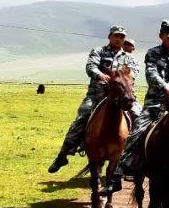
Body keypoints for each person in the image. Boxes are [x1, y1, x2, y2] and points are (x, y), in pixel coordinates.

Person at [110, 20, 169, 193]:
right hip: (156, 102)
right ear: (161, 36)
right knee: (137, 131)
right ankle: (119, 173)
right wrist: (166, 87)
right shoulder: (153, 53)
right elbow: (151, 74)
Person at [47, 25, 127, 173]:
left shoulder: (128, 58)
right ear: (110, 37)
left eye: (122, 37)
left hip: (119, 98)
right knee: (82, 117)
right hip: (97, 95)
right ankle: (63, 155)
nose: (118, 39)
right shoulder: (98, 51)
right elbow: (91, 67)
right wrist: (100, 75)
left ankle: (131, 157)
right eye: (116, 36)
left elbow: (131, 73)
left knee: (138, 115)